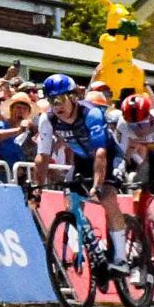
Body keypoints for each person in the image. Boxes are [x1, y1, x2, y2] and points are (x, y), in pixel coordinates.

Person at [36, 73, 129, 265]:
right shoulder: (48, 119)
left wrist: (97, 185)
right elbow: (42, 157)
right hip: (83, 160)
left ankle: (121, 258)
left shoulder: (92, 114)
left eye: (60, 99)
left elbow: (101, 154)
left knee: (107, 197)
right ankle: (86, 246)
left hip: (109, 157)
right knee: (71, 202)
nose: (57, 105)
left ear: (73, 97)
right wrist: (36, 188)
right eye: (52, 100)